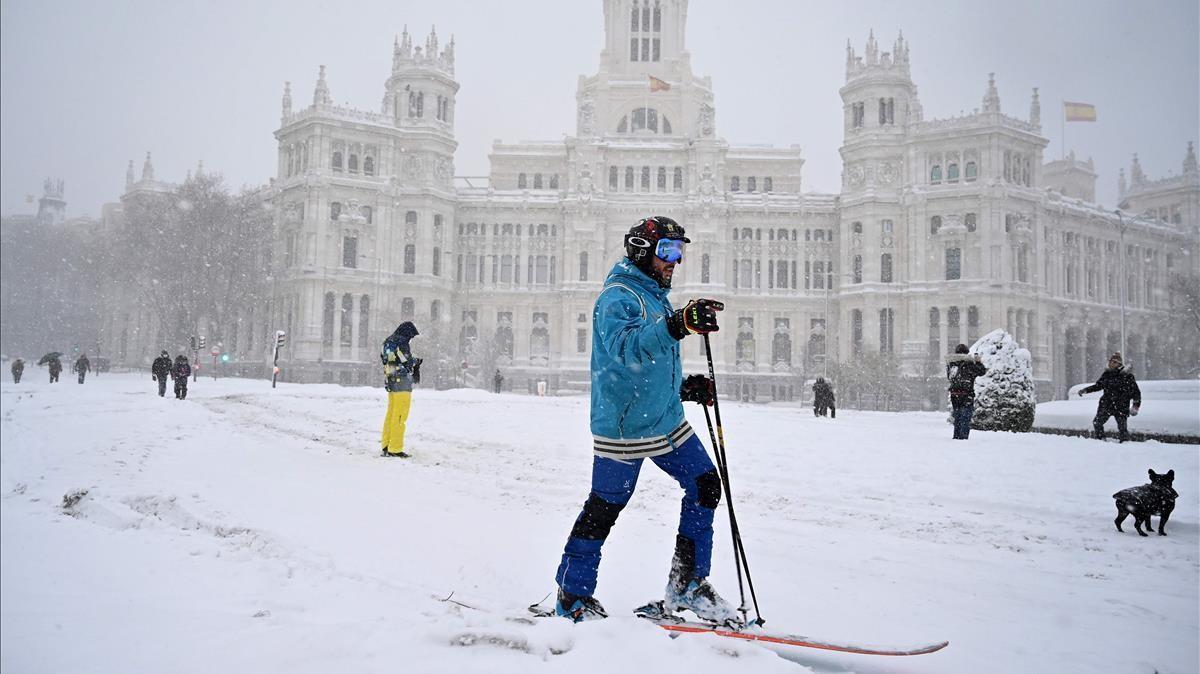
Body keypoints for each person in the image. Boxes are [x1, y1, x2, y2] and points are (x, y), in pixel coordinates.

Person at [553, 215, 739, 626]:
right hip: (625, 428)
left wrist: (684, 388)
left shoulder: (653, 294)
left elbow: (652, 360)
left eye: (679, 252)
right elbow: (627, 350)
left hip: (664, 418)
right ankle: (572, 595)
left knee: (705, 485)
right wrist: (678, 324)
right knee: (605, 506)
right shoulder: (617, 298)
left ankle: (687, 586)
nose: (676, 260)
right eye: (668, 251)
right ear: (642, 250)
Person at [1078, 352, 1141, 443]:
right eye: (1110, 361)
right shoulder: (1107, 374)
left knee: (1122, 428)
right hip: (1106, 405)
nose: (1111, 363)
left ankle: (1125, 443)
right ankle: (1101, 440)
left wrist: (1136, 406)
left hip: (1121, 406)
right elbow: (1098, 386)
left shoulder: (1127, 376)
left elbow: (1136, 392)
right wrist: (1085, 390)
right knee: (1097, 423)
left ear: (1119, 364)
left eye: (1114, 362)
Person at [380, 321, 421, 458]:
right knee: (400, 416)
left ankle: (386, 445)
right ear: (407, 332)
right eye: (411, 336)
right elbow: (406, 361)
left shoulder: (388, 341)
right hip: (401, 382)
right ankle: (395, 448)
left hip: (391, 381)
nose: (410, 339)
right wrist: (416, 362)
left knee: (391, 414)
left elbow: (388, 359)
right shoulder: (401, 342)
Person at [947, 344, 987, 439]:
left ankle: (956, 437)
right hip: (967, 395)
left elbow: (949, 377)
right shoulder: (969, 365)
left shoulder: (951, 364)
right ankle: (963, 438)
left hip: (955, 394)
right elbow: (982, 371)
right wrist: (978, 362)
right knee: (965, 417)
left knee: (958, 418)